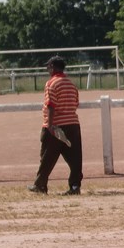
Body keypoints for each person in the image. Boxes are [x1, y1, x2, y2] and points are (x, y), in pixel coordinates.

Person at [28, 56, 82, 195]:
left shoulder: (51, 84)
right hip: (73, 125)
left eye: (48, 66)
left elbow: (51, 106)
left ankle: (40, 186)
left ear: (52, 66)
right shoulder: (71, 84)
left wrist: (51, 125)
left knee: (46, 159)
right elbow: (76, 103)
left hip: (55, 126)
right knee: (75, 159)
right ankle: (75, 186)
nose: (47, 69)